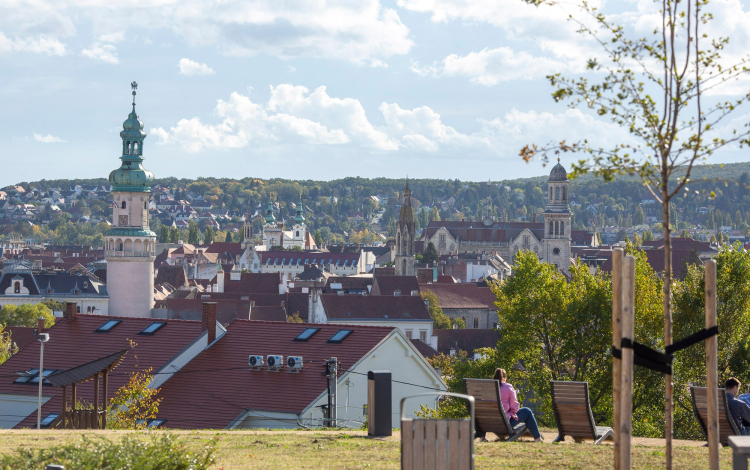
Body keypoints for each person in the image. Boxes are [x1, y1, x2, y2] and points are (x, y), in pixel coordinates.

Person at [476, 368, 543, 443]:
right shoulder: (508, 387)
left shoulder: (487, 388)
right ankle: (537, 438)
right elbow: (515, 408)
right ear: (504, 378)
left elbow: (485, 405)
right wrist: (512, 410)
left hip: (489, 423)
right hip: (504, 424)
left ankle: (482, 437)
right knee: (527, 411)